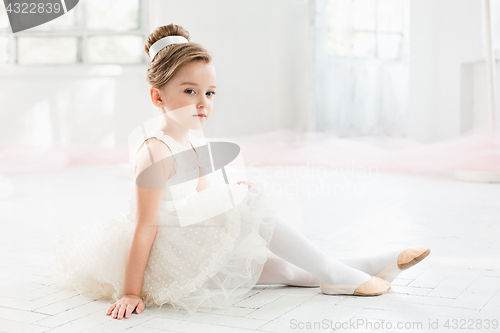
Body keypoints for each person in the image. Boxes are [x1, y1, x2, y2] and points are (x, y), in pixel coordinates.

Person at [49, 23, 431, 320]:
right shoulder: (154, 150)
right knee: (251, 209)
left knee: (277, 266)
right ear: (157, 95)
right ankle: (336, 271)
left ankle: (362, 265)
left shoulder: (194, 138)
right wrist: (132, 291)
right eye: (189, 91)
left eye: (209, 93)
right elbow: (146, 226)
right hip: (166, 258)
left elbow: (198, 200)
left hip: (191, 243)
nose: (202, 102)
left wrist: (232, 203)